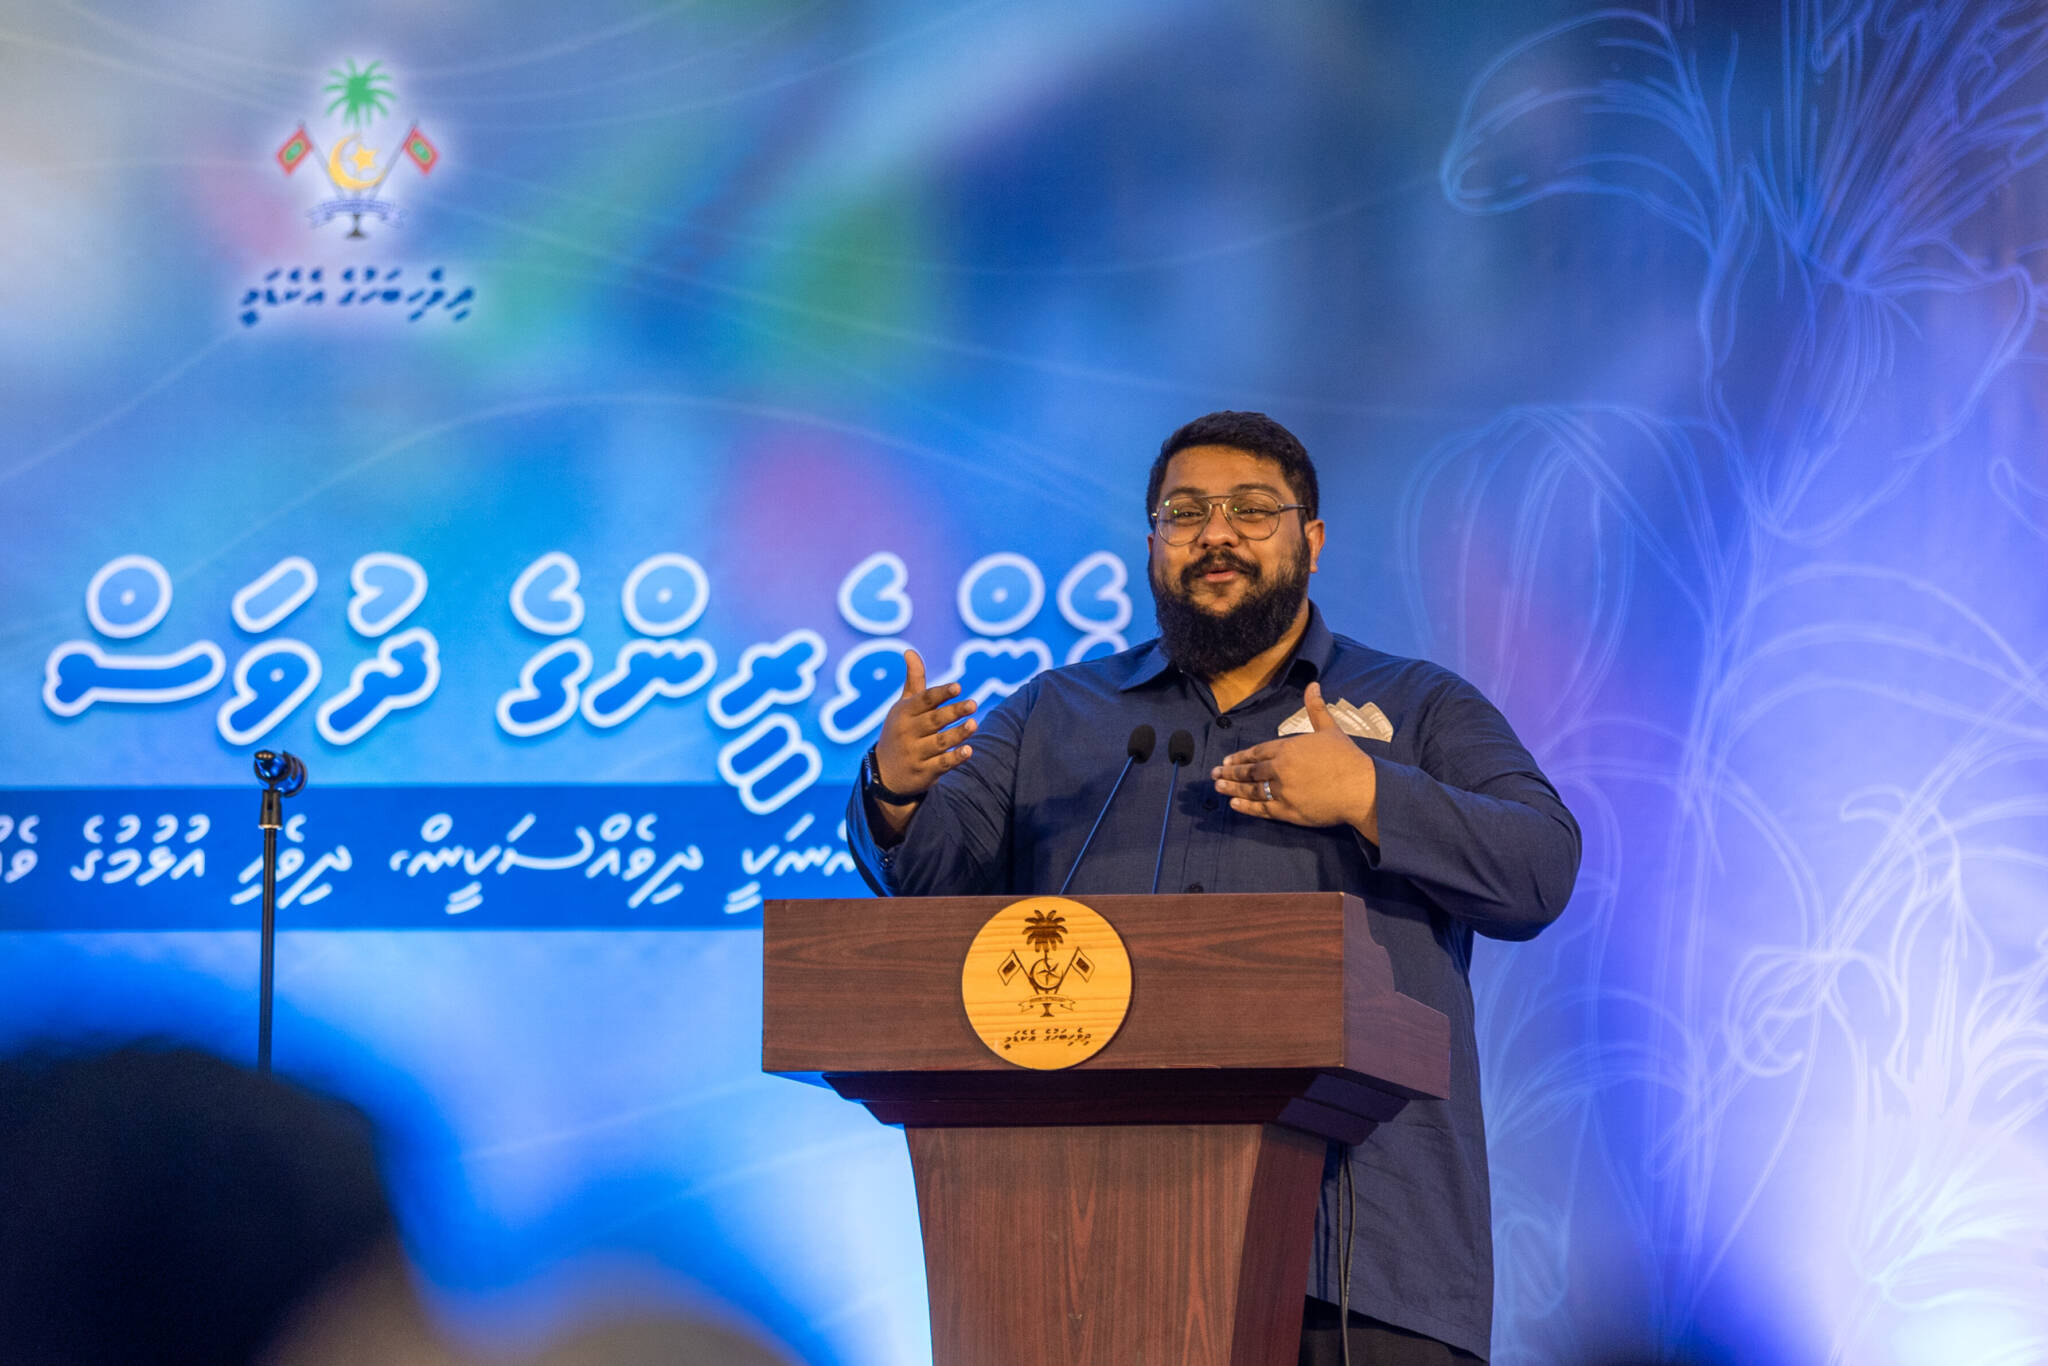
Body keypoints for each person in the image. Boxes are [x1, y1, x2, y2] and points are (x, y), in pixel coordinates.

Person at [845, 411, 1581, 1363]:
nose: (1216, 534)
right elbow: (930, 884)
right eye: (1185, 513)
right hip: (1090, 1257)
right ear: (1153, 544)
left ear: (1312, 540)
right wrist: (895, 792)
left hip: (1362, 1263)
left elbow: (1540, 866)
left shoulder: (1421, 705)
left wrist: (1369, 794)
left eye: (1252, 510)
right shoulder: (1053, 716)